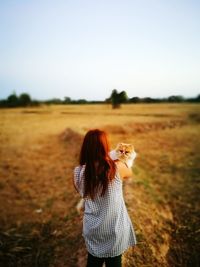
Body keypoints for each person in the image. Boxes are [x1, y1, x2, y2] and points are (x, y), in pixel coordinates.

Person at [73, 129, 137, 267]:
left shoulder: (78, 171)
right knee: (114, 263)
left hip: (92, 228)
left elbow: (82, 192)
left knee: (93, 262)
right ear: (106, 147)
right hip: (114, 229)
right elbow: (130, 173)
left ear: (85, 148)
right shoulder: (118, 167)